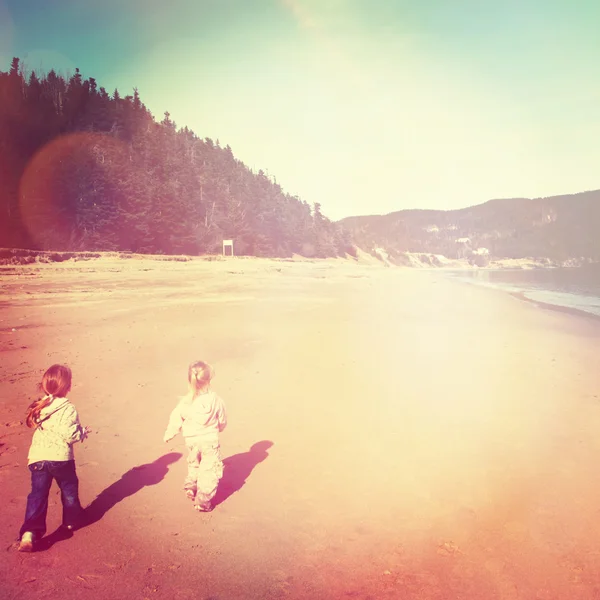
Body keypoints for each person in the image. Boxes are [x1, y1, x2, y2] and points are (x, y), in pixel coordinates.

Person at [18, 364, 91, 552]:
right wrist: (82, 432)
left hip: (38, 459)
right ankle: (71, 521)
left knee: (38, 494)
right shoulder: (68, 408)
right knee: (68, 488)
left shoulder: (40, 405)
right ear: (68, 387)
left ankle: (29, 532)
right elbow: (70, 434)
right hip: (60, 458)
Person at [163, 361, 227, 512]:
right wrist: (221, 427)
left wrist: (170, 433)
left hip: (191, 441)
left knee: (194, 463)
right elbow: (222, 419)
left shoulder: (186, 401)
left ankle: (191, 486)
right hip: (209, 441)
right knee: (209, 470)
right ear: (209, 380)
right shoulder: (216, 400)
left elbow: (176, 417)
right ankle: (203, 501)